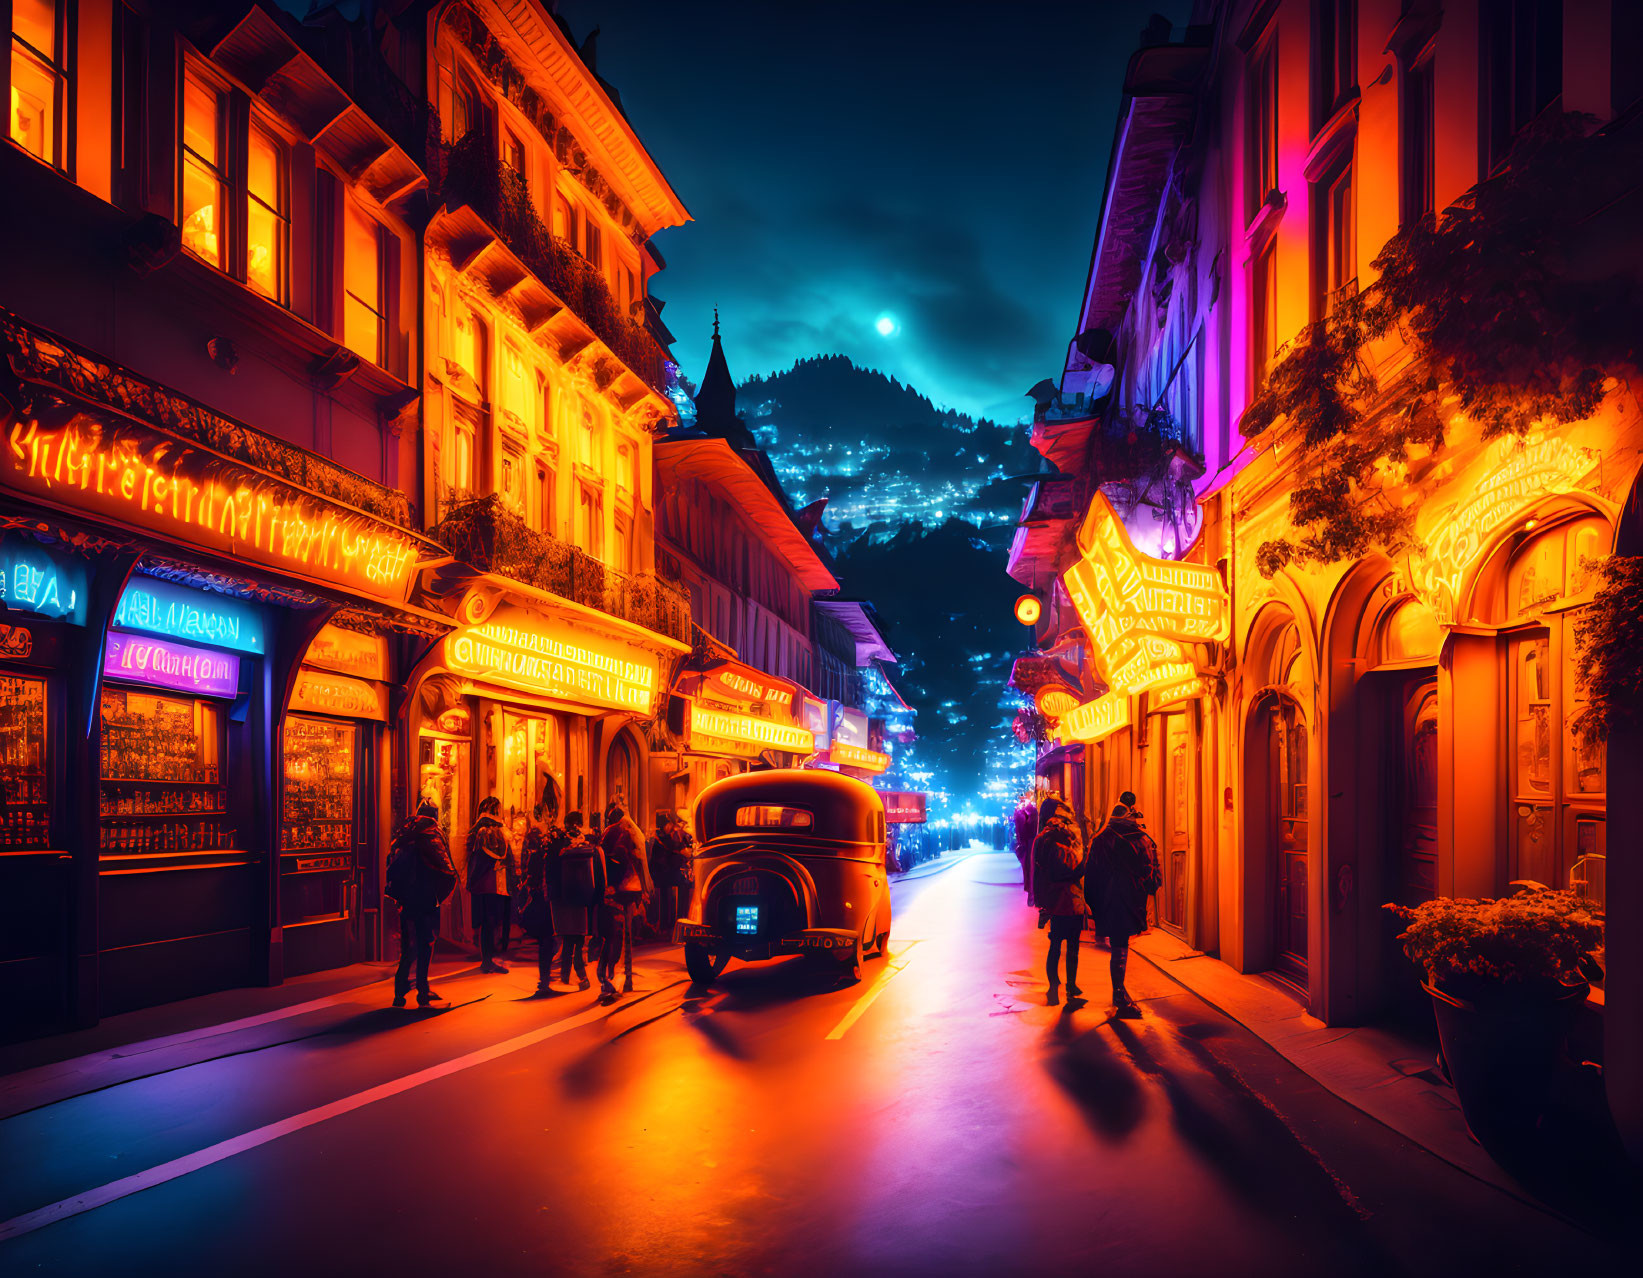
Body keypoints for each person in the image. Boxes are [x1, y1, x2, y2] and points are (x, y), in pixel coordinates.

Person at [1085, 790, 1163, 1019]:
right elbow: (1152, 880)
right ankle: (1119, 996)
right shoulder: (1141, 840)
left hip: (1108, 902)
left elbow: (1090, 876)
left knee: (1118, 947)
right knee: (1120, 948)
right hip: (1130, 901)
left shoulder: (1100, 839)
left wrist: (1094, 907)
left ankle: (1119, 993)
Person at [386, 799, 458, 1007]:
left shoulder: (404, 833)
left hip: (406, 899)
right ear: (434, 815)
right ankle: (422, 990)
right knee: (425, 943)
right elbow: (446, 867)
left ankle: (400, 992)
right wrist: (442, 892)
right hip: (426, 897)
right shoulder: (431, 834)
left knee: (408, 945)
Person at [1032, 796, 1087, 1005]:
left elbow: (1039, 873)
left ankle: (1053, 987)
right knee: (1073, 946)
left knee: (1055, 945)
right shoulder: (1069, 836)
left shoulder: (1041, 839)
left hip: (1054, 900)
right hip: (1071, 899)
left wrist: (1041, 901)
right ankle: (1071, 986)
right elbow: (1080, 866)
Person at [597, 802, 652, 1001]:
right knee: (627, 936)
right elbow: (639, 861)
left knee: (613, 936)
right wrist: (643, 890)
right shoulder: (632, 832)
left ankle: (611, 976)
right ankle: (627, 978)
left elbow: (605, 860)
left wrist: (608, 887)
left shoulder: (611, 833)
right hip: (633, 887)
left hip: (618, 889)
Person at [519, 782, 562, 997]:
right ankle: (544, 982)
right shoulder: (544, 841)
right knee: (548, 939)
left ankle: (545, 980)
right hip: (543, 897)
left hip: (538, 894)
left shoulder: (535, 840)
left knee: (547, 940)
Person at [465, 795, 513, 973]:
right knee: (489, 923)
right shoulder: (490, 831)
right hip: (491, 883)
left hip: (486, 884)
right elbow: (486, 860)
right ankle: (487, 961)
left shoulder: (481, 830)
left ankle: (487, 959)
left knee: (488, 923)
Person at [552, 812, 600, 989]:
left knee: (568, 940)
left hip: (565, 897)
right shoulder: (585, 846)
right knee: (578, 941)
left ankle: (566, 975)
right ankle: (581, 976)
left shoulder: (558, 843)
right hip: (581, 898)